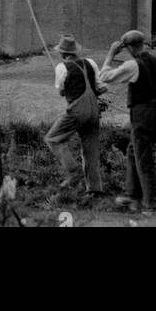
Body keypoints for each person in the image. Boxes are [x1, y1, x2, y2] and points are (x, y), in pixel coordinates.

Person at [98, 29, 156, 214]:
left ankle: (152, 204)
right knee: (134, 151)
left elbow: (103, 78)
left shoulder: (132, 65)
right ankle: (132, 196)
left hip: (141, 112)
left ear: (130, 48)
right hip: (155, 110)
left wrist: (110, 54)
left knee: (143, 159)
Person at [44, 33, 106, 204]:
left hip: (77, 110)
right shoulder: (91, 63)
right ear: (75, 52)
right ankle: (95, 190)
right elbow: (101, 88)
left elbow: (61, 92)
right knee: (90, 150)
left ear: (63, 53)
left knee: (52, 139)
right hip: (94, 110)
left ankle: (73, 172)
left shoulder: (62, 68)